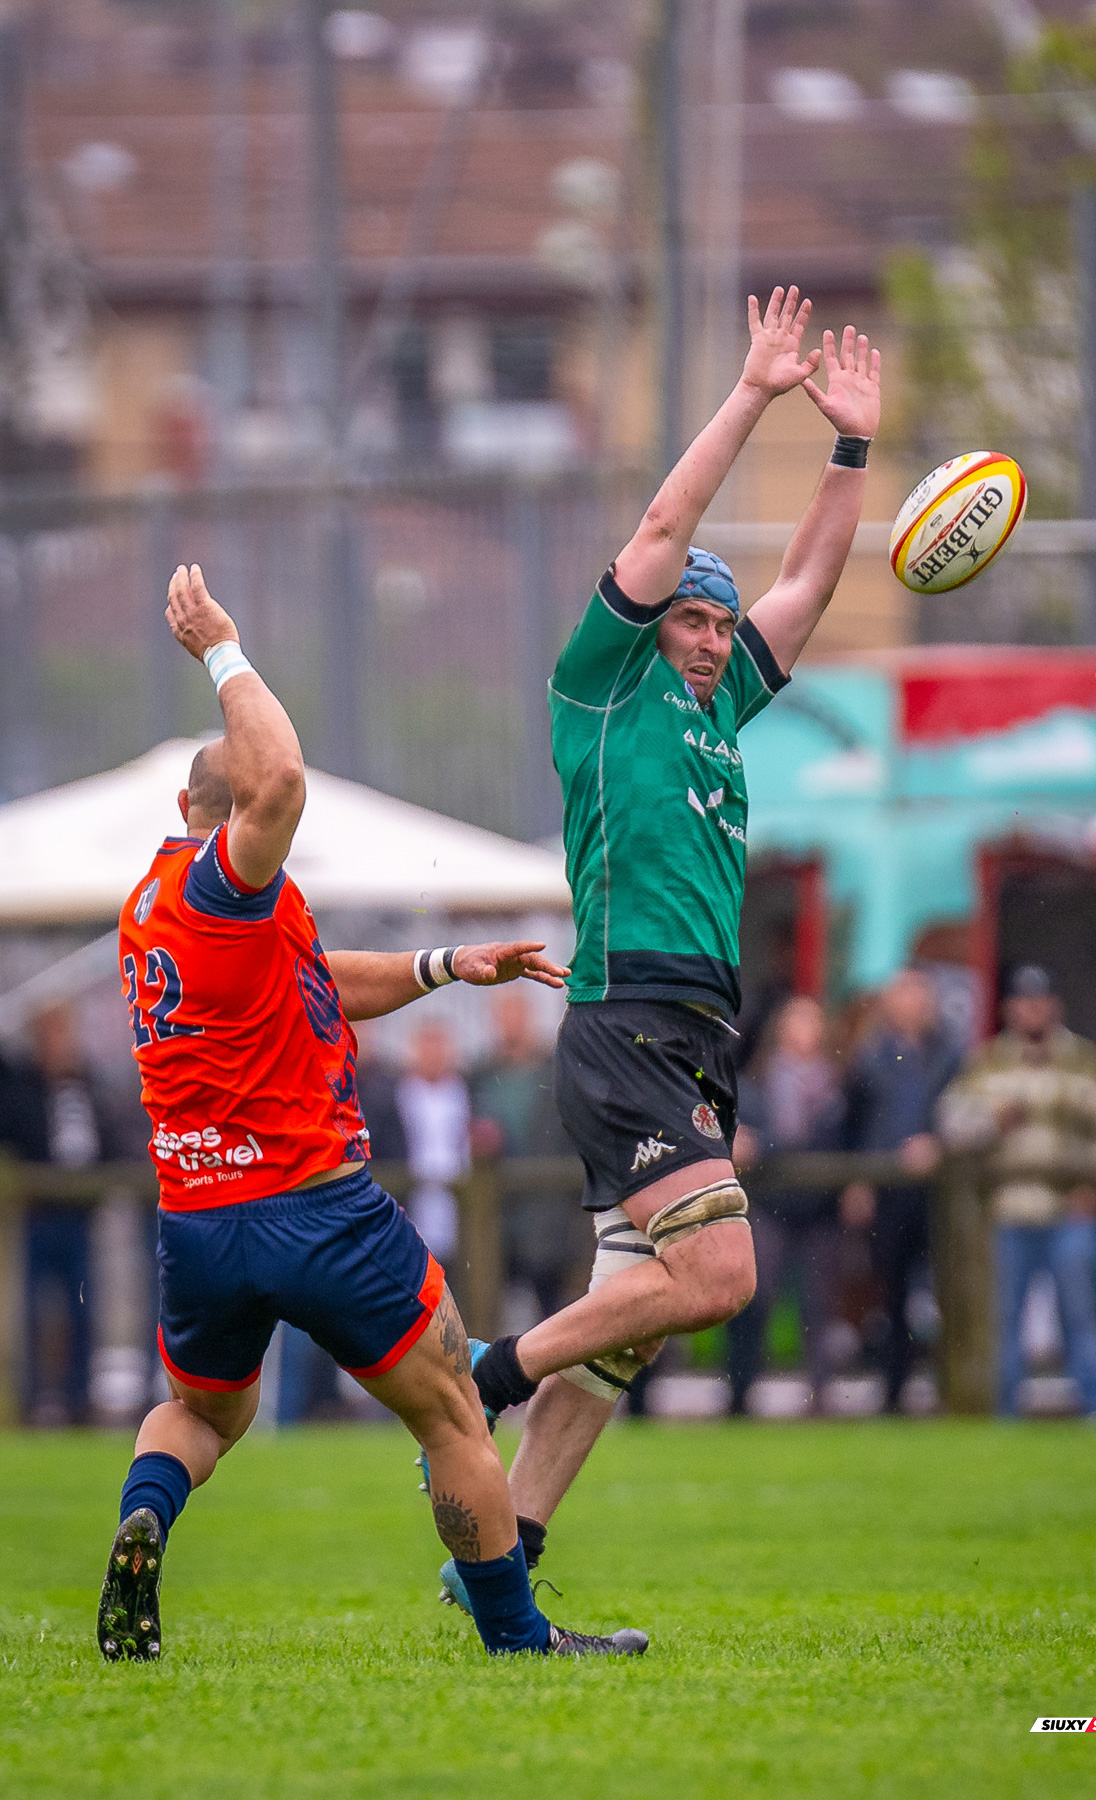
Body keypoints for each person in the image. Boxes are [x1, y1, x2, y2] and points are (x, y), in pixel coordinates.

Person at [97, 562, 647, 1664]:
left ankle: (146, 1515)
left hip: (202, 1221)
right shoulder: (228, 883)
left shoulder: (156, 910)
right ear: (231, 824)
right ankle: (517, 1638)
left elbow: (316, 981)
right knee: (449, 1409)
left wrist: (447, 964)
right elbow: (284, 778)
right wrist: (223, 646)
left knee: (201, 1418)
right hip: (315, 1208)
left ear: (179, 812)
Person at [451, 287, 882, 1596]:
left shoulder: (715, 704)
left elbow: (806, 580)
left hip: (697, 1033)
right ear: (647, 627)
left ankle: (500, 1570)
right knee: (721, 1271)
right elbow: (658, 527)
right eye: (689, 620)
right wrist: (752, 394)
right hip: (622, 1015)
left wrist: (850, 448)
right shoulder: (600, 688)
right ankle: (479, 1379)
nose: (707, 638)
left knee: (624, 1338)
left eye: (713, 622)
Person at [936, 964, 1096, 1419]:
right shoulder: (987, 1061)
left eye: (1041, 1000)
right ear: (1010, 1008)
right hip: (1009, 1206)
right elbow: (951, 1125)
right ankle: (1006, 1413)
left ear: (1054, 1006)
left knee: (1081, 1313)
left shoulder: (1085, 1060)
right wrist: (991, 1122)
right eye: (1024, 1000)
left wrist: (1093, 1185)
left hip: (1069, 1208)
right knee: (1004, 1320)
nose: (1033, 1009)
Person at [840, 969, 960, 1413]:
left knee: (948, 1292)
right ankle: (893, 1394)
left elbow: (966, 1115)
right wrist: (858, 1178)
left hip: (941, 1194)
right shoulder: (869, 1057)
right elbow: (853, 1126)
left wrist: (939, 1143)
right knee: (890, 1294)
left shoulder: (951, 1055)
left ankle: (952, 1391)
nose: (912, 1004)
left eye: (919, 995)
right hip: (887, 1191)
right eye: (903, 995)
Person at [0, 1004, 123, 1425]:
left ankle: (78, 1398)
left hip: (79, 1213)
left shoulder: (87, 1082)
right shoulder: (22, 1086)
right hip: (37, 1212)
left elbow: (107, 1135)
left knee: (83, 1307)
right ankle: (34, 1399)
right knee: (35, 1308)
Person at [727, 996, 846, 1415]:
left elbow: (837, 1143)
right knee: (752, 1302)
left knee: (819, 1306)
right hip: (768, 1205)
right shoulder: (753, 1082)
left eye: (812, 1023)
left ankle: (821, 1398)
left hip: (820, 1209)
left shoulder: (838, 1084)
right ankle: (740, 1396)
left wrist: (769, 1147)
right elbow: (736, 1137)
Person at [470, 987, 587, 1323]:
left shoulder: (556, 1072)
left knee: (553, 1309)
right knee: (490, 1308)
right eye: (503, 1016)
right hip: (496, 1214)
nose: (510, 1024)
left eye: (516, 1014)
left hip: (550, 1212)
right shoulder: (479, 1075)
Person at [395, 1018, 471, 1269]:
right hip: (412, 1204)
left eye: (439, 1045)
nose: (433, 1054)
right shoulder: (399, 1094)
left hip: (460, 1205)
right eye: (427, 1045)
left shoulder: (466, 1091)